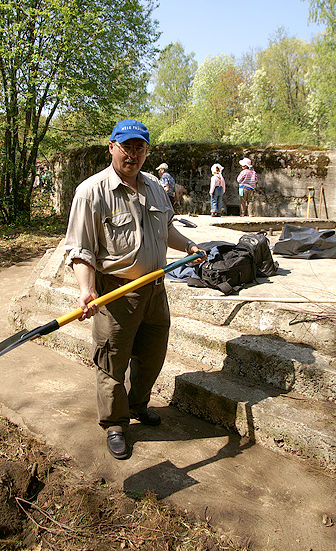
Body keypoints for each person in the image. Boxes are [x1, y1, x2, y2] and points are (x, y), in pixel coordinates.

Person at [64, 119, 204, 460]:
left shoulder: (156, 187)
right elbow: (79, 249)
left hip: (156, 290)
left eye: (139, 147)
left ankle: (139, 404)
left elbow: (166, 230)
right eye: (126, 146)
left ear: (146, 151)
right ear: (111, 146)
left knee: (153, 356)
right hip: (116, 295)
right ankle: (115, 423)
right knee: (112, 363)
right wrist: (87, 290)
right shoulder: (91, 192)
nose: (133, 154)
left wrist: (188, 248)